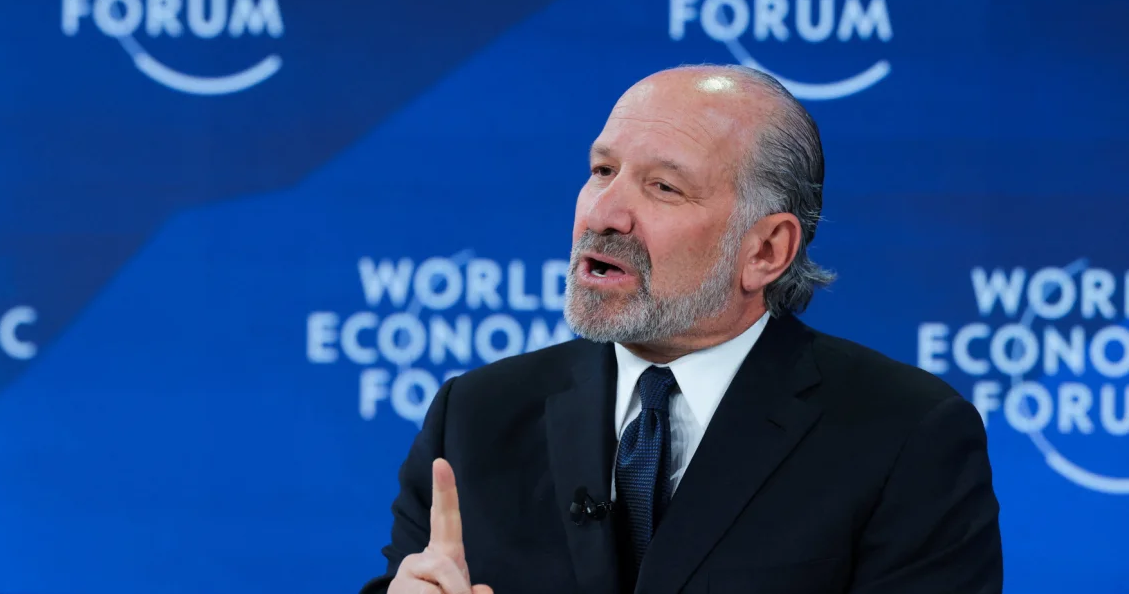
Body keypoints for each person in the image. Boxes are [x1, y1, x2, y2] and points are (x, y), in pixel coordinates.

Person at [358, 65, 1002, 594]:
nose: (604, 213)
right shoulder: (476, 416)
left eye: (663, 187)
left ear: (767, 252)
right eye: (602, 170)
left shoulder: (904, 436)